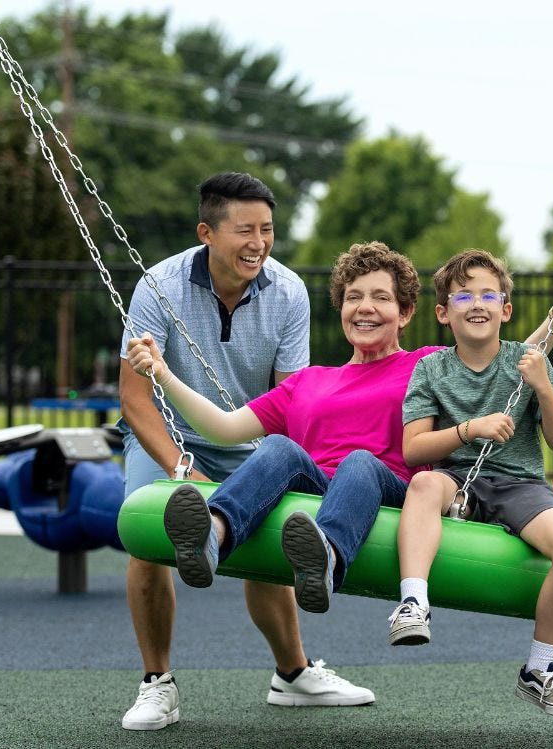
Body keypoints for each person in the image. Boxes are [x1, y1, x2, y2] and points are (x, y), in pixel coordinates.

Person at [124, 241, 553, 710]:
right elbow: (223, 428)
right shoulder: (306, 382)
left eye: (381, 298)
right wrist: (164, 374)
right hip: (320, 488)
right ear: (341, 309)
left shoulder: (424, 364)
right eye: (354, 297)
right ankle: (214, 532)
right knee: (277, 447)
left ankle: (324, 555)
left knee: (359, 461)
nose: (365, 308)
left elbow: (505, 360)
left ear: (406, 312)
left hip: (384, 486)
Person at [117, 172, 373, 731]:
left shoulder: (287, 292)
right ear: (207, 232)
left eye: (268, 229)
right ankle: (157, 683)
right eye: (245, 230)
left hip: (249, 437)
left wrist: (285, 465)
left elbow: (293, 399)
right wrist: (181, 467)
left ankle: (293, 675)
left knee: (275, 532)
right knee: (147, 536)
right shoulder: (158, 287)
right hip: (170, 434)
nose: (258, 242)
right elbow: (136, 400)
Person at [387, 249, 553, 720]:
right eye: (462, 295)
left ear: (506, 308)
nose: (476, 303)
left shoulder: (528, 360)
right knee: (421, 486)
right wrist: (470, 428)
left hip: (520, 483)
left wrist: (541, 386)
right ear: (443, 313)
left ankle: (540, 668)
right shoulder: (431, 369)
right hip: (457, 479)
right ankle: (413, 603)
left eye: (487, 294)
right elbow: (414, 450)